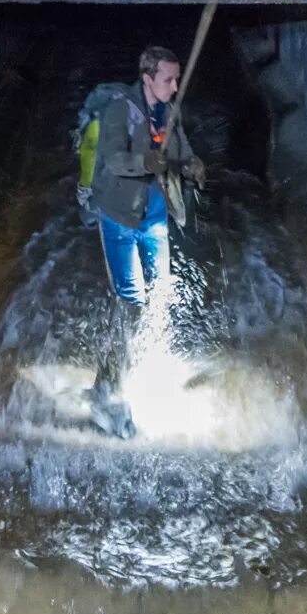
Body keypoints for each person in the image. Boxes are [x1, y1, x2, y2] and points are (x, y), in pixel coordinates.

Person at [83, 45, 205, 436]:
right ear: (148, 78)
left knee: (163, 292)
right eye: (168, 78)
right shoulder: (120, 109)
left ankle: (148, 369)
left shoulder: (170, 110)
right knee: (131, 301)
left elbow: (181, 149)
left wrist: (192, 165)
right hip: (119, 216)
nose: (175, 85)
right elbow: (114, 159)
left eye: (177, 77)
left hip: (154, 216)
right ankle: (107, 391)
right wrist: (145, 162)